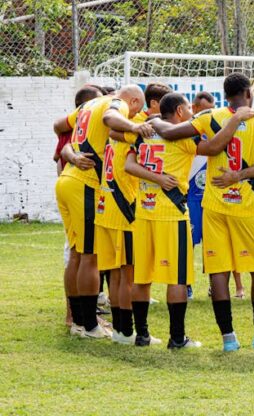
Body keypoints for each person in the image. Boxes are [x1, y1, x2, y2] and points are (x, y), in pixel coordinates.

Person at [150, 73, 254, 352]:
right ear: (248, 93)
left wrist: (153, 119)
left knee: (218, 270)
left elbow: (168, 132)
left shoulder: (208, 117)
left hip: (214, 205)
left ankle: (229, 339)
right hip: (247, 206)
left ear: (225, 95)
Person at [126, 92, 239, 349]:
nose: (191, 113)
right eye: (188, 108)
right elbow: (214, 148)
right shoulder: (183, 137)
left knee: (142, 276)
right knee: (177, 278)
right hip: (171, 212)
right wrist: (235, 121)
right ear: (179, 111)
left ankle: (141, 334)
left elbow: (129, 166)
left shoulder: (143, 133)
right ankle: (177, 338)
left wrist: (153, 178)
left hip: (144, 211)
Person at [54, 85, 152, 339]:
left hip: (67, 180)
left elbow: (58, 126)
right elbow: (111, 119)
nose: (132, 117)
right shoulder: (116, 104)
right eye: (135, 111)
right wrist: (133, 127)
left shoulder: (87, 106)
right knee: (90, 256)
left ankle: (78, 321)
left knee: (77, 254)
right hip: (84, 183)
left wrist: (71, 153)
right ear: (131, 101)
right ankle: (89, 326)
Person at [98, 82, 171, 345]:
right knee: (128, 273)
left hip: (106, 204)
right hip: (124, 206)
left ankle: (120, 331)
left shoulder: (120, 126)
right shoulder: (135, 124)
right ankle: (129, 332)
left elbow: (113, 130)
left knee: (117, 274)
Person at [56, 85, 102, 328]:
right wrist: (72, 159)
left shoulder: (79, 129)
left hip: (70, 190)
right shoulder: (79, 128)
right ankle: (84, 320)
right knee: (84, 256)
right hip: (79, 193)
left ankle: (78, 318)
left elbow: (61, 142)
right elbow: (61, 149)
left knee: (77, 255)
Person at [187, 91, 216, 298]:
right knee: (189, 243)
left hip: (212, 194)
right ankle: (186, 283)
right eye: (204, 110)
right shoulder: (188, 130)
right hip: (191, 195)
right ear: (194, 108)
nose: (209, 114)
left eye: (211, 110)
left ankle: (215, 285)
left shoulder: (217, 128)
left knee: (214, 244)